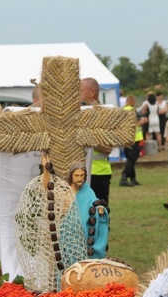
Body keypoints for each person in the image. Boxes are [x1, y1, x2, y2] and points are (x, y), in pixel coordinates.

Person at [80, 77, 112, 206]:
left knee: (99, 213)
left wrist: (86, 139)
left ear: (91, 92)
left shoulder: (103, 114)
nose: (77, 94)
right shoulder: (81, 113)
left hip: (98, 173)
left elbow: (108, 148)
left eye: (80, 90)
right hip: (80, 172)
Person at [67, 161, 109, 258]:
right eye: (76, 175)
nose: (79, 179)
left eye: (82, 175)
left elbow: (95, 203)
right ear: (71, 176)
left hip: (84, 234)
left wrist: (101, 211)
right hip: (68, 234)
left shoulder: (88, 191)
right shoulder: (65, 192)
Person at [120, 95, 146, 187]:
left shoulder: (122, 110)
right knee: (132, 159)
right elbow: (134, 125)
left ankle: (132, 178)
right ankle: (124, 177)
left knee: (130, 159)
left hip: (125, 138)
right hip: (135, 138)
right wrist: (141, 122)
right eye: (134, 101)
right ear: (131, 101)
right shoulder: (131, 110)